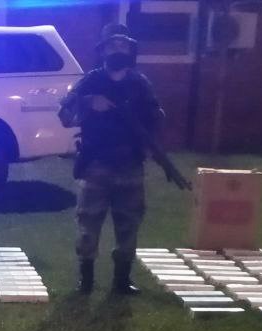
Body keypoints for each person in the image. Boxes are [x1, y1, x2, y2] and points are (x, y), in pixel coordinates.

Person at [59, 23, 189, 295]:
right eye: (113, 45)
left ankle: (122, 281)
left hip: (130, 165)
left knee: (129, 224)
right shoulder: (91, 81)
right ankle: (86, 281)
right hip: (96, 164)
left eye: (123, 45)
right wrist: (89, 102)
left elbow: (156, 118)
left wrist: (146, 119)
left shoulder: (140, 83)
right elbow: (65, 115)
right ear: (103, 50)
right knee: (88, 225)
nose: (118, 50)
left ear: (131, 50)